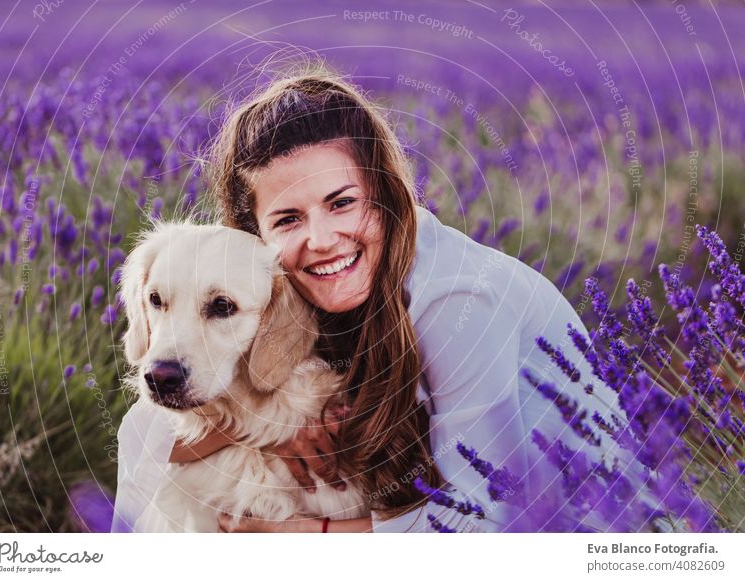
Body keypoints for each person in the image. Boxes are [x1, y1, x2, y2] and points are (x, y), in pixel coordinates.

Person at [112, 66, 630, 534]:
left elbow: (484, 525)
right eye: (288, 219)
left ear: (384, 195)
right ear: (255, 234)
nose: (321, 239)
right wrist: (277, 427)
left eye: (342, 203)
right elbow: (155, 432)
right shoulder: (284, 282)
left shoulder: (460, 300)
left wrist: (309, 541)